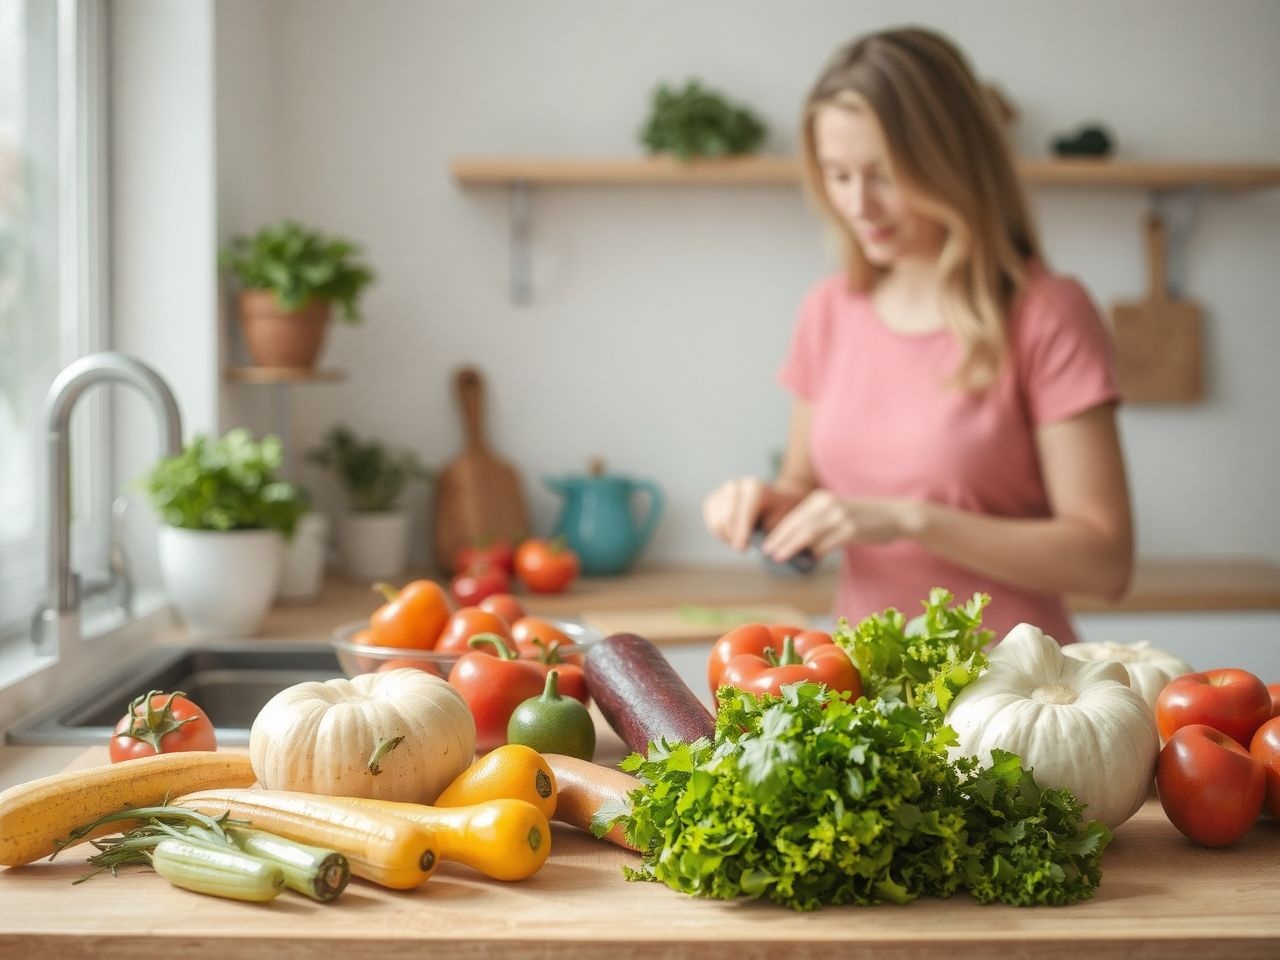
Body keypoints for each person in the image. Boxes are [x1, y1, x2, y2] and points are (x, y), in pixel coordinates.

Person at [702, 27, 1132, 645]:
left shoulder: (1048, 313)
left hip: (1017, 700)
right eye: (837, 174)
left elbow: (1105, 561)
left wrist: (908, 517)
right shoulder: (829, 309)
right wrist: (768, 505)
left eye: (884, 175)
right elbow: (807, 490)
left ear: (950, 161)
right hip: (866, 687)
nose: (858, 204)